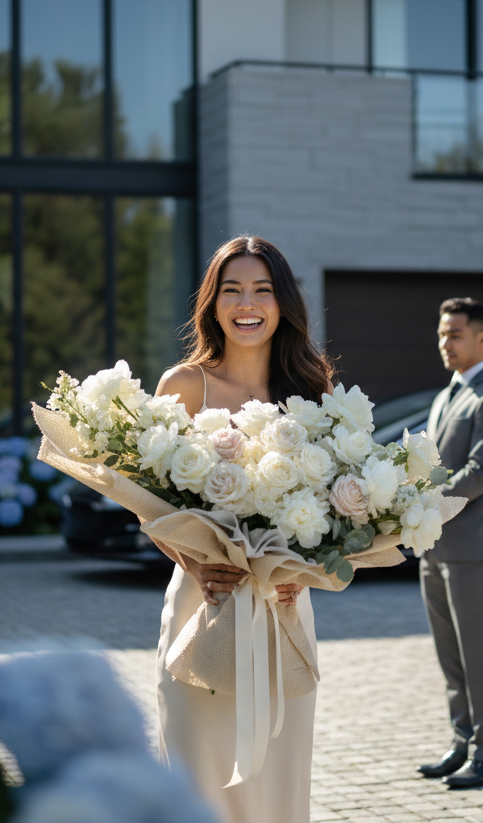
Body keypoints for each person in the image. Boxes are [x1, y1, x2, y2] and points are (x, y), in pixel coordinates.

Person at [150, 234, 336, 823]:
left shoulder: (313, 392)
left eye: (262, 289)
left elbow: (333, 512)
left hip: (282, 608)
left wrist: (301, 575)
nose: (246, 303)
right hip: (204, 605)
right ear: (213, 303)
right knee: (196, 778)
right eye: (231, 290)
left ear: (282, 302)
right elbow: (150, 508)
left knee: (277, 786)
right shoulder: (183, 385)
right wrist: (197, 563)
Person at [416, 297, 483, 789]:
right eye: (441, 334)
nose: (445, 343)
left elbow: (482, 473)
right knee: (449, 654)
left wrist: (423, 505)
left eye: (455, 334)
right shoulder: (447, 395)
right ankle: (462, 743)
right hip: (435, 545)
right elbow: (434, 466)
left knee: (478, 652)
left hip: (474, 547)